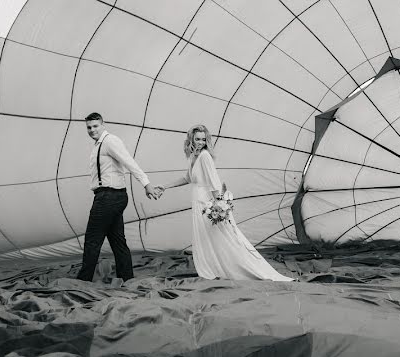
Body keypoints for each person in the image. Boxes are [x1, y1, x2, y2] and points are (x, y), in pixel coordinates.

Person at [156, 124, 293, 281]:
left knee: (221, 237)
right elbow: (187, 178)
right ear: (191, 140)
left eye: (203, 139)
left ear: (207, 140)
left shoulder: (205, 156)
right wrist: (165, 187)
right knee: (208, 238)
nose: (200, 142)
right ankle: (215, 267)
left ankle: (236, 268)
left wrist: (219, 205)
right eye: (197, 139)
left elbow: (214, 183)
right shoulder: (194, 156)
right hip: (198, 203)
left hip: (206, 203)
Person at [77, 112, 160, 282]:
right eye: (89, 127)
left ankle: (83, 281)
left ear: (103, 124)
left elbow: (130, 162)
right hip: (113, 197)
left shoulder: (110, 141)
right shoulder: (97, 145)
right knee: (117, 241)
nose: (92, 130)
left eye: (95, 126)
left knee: (92, 241)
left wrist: (146, 184)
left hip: (108, 197)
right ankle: (127, 278)